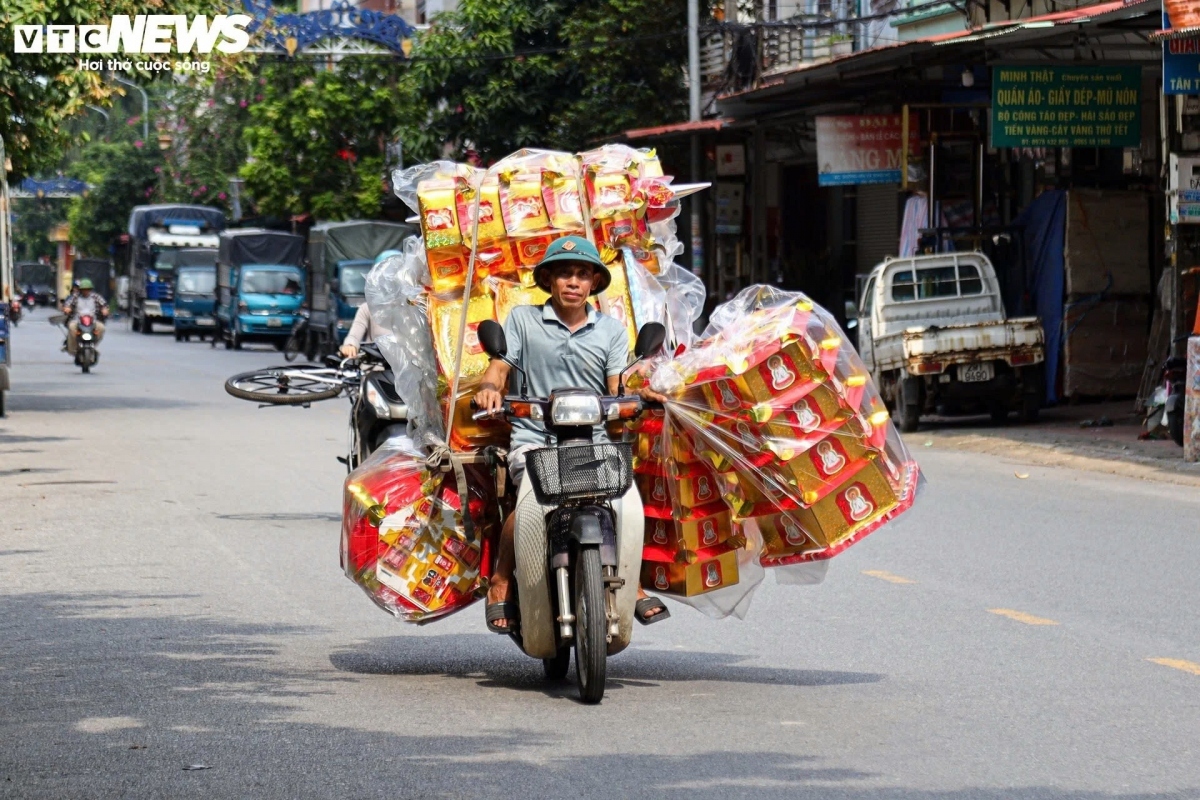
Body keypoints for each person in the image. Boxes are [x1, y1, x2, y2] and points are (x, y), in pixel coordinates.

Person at [473, 235, 670, 633]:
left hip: (594, 442)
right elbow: (499, 366)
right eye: (565, 274)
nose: (574, 282)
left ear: (595, 283)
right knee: (530, 502)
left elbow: (619, 385)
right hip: (533, 438)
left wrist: (644, 391)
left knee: (627, 503)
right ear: (549, 280)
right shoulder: (523, 320)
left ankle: (633, 582)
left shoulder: (611, 331)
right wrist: (490, 387)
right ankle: (502, 579)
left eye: (583, 274)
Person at [338, 250, 401, 359]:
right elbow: (354, 335)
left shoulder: (415, 308)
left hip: (409, 371)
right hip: (375, 369)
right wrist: (350, 345)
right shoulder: (367, 308)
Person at [63, 279, 109, 356]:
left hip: (93, 320)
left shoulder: (96, 297)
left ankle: (93, 346)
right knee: (71, 327)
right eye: (84, 290)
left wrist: (105, 310)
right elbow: (67, 304)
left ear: (90, 289)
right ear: (80, 290)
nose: (85, 291)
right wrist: (67, 308)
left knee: (101, 328)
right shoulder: (75, 297)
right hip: (78, 320)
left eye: (87, 289)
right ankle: (73, 348)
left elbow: (104, 305)